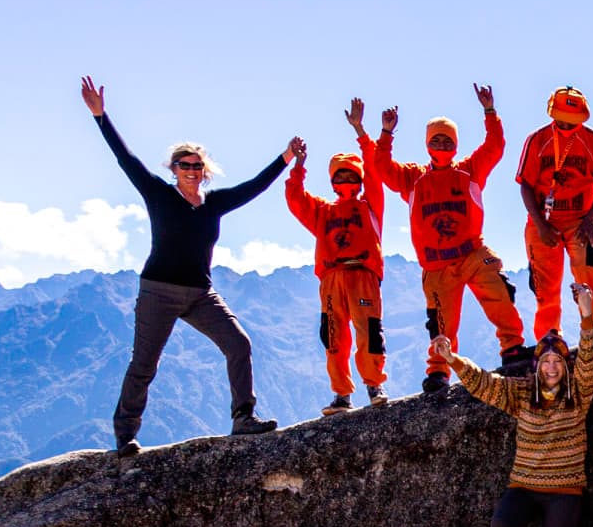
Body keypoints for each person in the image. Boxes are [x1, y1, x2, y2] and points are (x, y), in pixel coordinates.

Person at [80, 76, 290, 457]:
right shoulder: (158, 194)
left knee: (239, 343)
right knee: (144, 364)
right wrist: (101, 116)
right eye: (184, 164)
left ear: (205, 170)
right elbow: (125, 160)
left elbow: (255, 186)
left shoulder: (214, 203)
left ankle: (244, 418)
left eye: (197, 165)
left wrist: (285, 159)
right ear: (173, 169)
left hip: (200, 293)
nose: (191, 169)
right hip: (158, 291)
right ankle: (125, 436)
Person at [435, 284, 593, 527]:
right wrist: (453, 360)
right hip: (524, 484)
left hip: (564, 490)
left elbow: (590, 358)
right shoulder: (523, 393)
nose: (552, 367)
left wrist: (587, 314)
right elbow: (485, 385)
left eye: (558, 361)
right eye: (545, 362)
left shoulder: (581, 390)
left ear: (565, 365)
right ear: (537, 365)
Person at [375, 85, 531, 395]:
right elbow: (383, 169)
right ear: (427, 144)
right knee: (440, 324)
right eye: (436, 139)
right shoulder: (413, 178)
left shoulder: (469, 171)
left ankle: (512, 349)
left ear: (456, 145)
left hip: (472, 254)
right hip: (437, 266)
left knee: (499, 292)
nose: (442, 144)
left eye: (447, 139)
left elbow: (495, 146)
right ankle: (438, 371)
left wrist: (490, 112)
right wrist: (386, 133)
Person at [285, 98, 389, 415]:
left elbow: (373, 167)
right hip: (331, 278)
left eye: (351, 176)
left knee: (368, 332)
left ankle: (374, 385)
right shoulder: (322, 211)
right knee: (333, 336)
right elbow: (295, 198)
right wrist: (299, 166)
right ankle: (342, 394)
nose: (346, 181)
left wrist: (360, 130)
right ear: (332, 181)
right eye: (340, 177)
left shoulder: (370, 205)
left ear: (358, 180)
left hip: (363, 274)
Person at [517, 87, 593, 339]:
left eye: (573, 120)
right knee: (544, 286)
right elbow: (525, 185)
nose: (566, 124)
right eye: (562, 117)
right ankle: (549, 337)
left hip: (581, 221)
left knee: (588, 276)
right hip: (542, 222)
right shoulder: (536, 140)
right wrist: (540, 225)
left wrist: (590, 220)